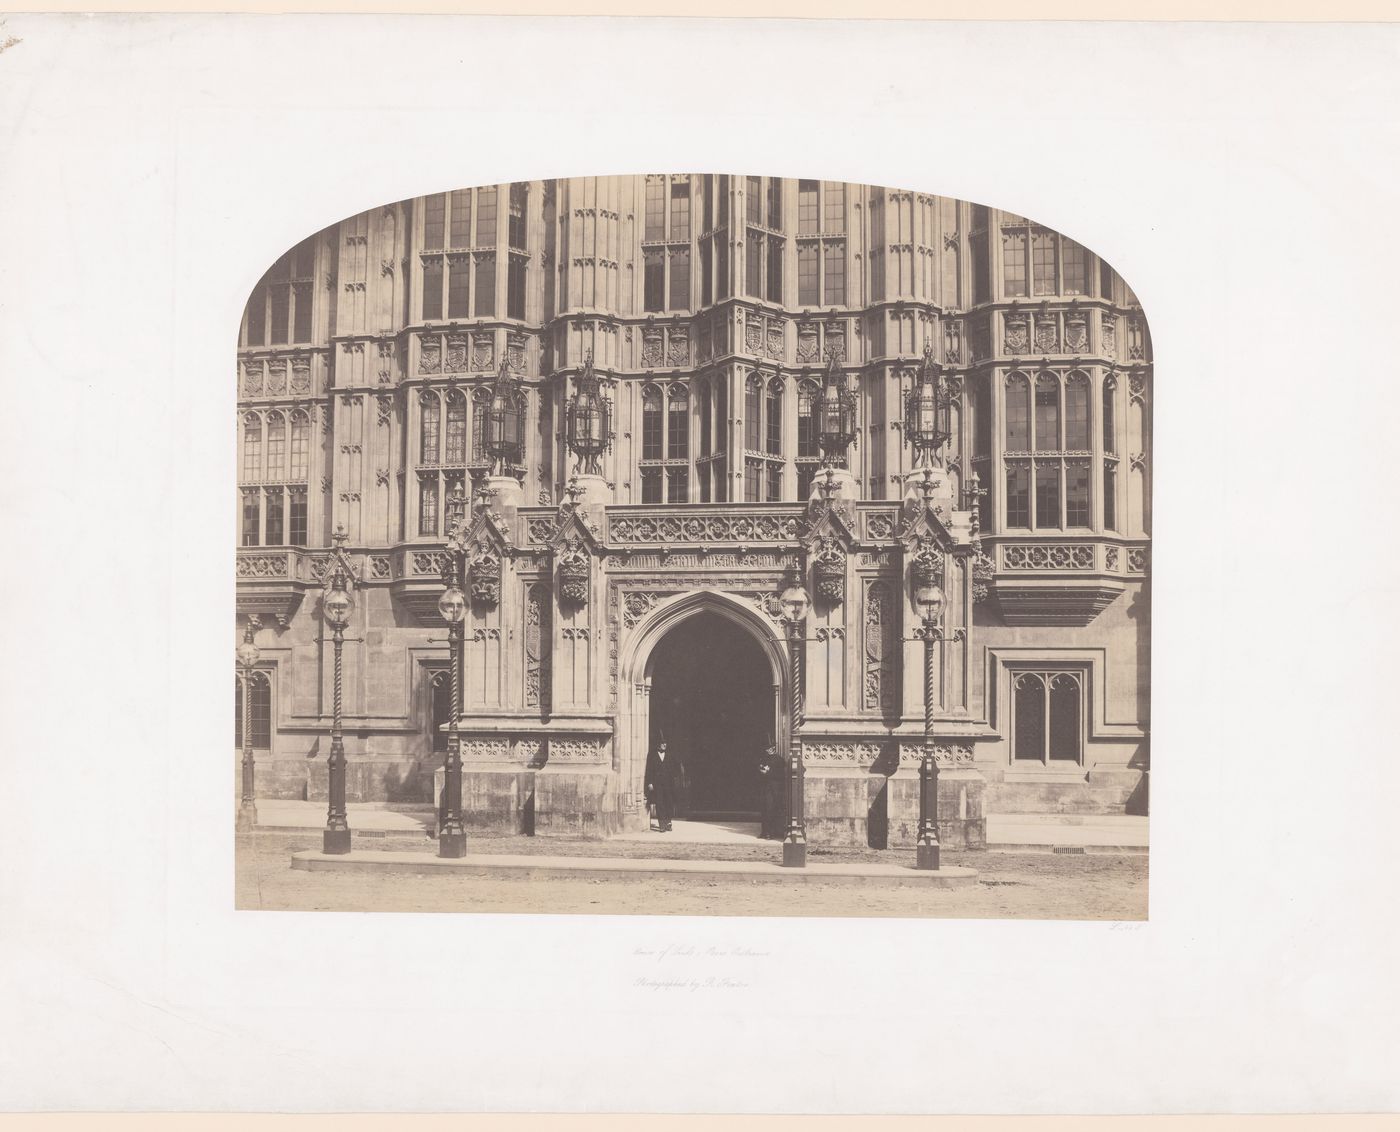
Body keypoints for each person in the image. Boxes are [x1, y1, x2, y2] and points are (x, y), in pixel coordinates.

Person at [644, 740, 681, 832]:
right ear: (658, 744)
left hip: (669, 784)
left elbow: (677, 767)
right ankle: (661, 824)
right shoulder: (652, 755)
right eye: (662, 743)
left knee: (669, 802)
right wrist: (649, 783)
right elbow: (648, 770)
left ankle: (668, 822)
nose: (664, 745)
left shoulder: (670, 755)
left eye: (665, 743)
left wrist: (674, 778)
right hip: (657, 784)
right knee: (659, 803)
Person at [756, 745, 785, 840]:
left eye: (769, 749)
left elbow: (780, 775)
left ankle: (771, 833)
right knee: (764, 809)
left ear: (774, 749)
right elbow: (759, 768)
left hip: (774, 789)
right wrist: (761, 769)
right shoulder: (764, 758)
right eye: (767, 749)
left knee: (771, 809)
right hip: (765, 788)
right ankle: (764, 832)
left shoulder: (779, 760)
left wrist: (768, 772)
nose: (767, 750)